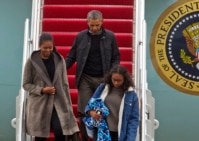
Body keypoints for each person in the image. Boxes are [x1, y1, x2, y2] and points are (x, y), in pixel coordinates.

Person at [65, 10, 120, 140]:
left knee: (101, 111)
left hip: (104, 79)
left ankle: (98, 137)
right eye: (92, 25)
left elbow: (116, 57)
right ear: (87, 22)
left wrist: (112, 74)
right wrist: (59, 70)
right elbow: (71, 57)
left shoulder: (111, 37)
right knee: (84, 110)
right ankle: (84, 138)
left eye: (97, 25)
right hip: (85, 78)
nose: (94, 28)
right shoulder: (80, 37)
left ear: (102, 22)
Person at [22, 32, 79, 141]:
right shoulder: (31, 61)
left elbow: (65, 83)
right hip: (40, 103)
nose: (48, 50)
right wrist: (42, 90)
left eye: (50, 48)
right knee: (40, 135)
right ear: (39, 46)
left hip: (58, 101)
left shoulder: (59, 59)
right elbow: (26, 84)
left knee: (60, 130)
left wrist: (68, 104)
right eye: (45, 48)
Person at [84, 65, 139, 141]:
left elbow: (133, 120)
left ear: (125, 80)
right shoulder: (102, 88)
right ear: (110, 78)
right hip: (102, 131)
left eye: (119, 80)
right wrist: (91, 112)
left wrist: (130, 139)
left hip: (120, 135)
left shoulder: (132, 95)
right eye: (114, 80)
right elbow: (90, 104)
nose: (116, 83)